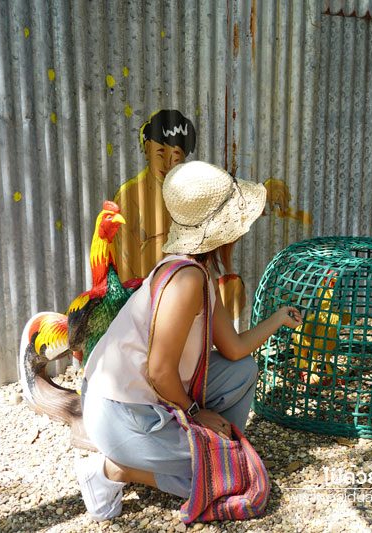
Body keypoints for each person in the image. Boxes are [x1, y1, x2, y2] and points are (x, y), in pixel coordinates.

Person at [76, 160, 303, 521]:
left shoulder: (198, 274)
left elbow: (234, 350)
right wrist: (198, 414)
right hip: (120, 413)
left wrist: (277, 320)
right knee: (233, 479)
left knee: (242, 371)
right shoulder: (185, 281)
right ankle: (113, 470)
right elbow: (160, 370)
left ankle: (205, 449)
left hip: (147, 400)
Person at [114, 109, 197, 281]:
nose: (167, 164)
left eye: (175, 157)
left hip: (181, 285)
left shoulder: (189, 196)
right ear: (147, 148)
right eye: (160, 153)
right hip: (141, 290)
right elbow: (131, 265)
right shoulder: (130, 196)